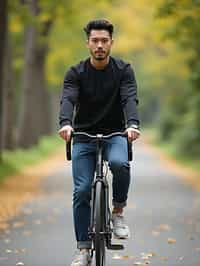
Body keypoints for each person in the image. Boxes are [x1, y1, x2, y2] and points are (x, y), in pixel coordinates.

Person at [58, 19, 140, 266]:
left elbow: (129, 98)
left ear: (111, 43)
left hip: (116, 134)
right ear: (88, 44)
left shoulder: (124, 70)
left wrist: (132, 124)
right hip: (82, 136)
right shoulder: (75, 73)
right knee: (82, 190)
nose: (100, 45)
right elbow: (68, 99)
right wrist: (65, 123)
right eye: (95, 41)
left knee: (119, 163)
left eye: (104, 41)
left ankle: (117, 212)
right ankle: (83, 248)